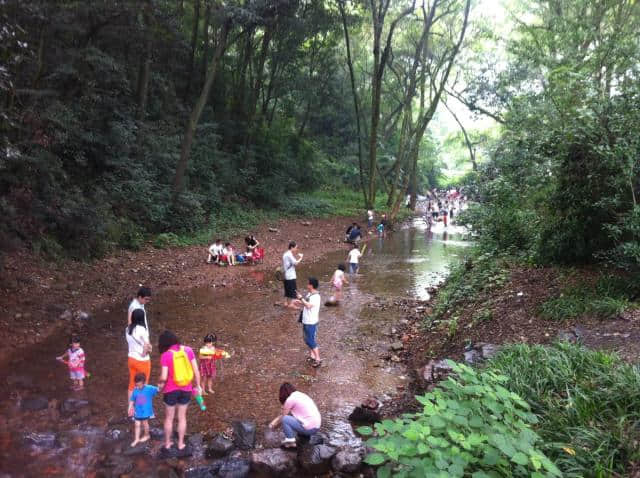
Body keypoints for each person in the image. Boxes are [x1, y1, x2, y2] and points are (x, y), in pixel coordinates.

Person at [158, 330, 202, 456]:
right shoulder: (188, 350)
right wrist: (198, 386)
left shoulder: (166, 355)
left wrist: (159, 384)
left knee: (169, 418)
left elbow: (164, 377)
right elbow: (196, 371)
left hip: (171, 391)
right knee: (182, 417)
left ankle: (167, 443)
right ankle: (181, 444)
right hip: (186, 389)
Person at [269, 383, 321, 449]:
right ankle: (303, 435)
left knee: (285, 419)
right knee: (290, 417)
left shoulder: (290, 400)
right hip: (316, 426)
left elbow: (283, 416)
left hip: (310, 429)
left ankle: (290, 443)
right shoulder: (300, 394)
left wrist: (273, 425)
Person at [126, 308, 152, 409]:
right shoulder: (142, 330)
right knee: (143, 386)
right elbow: (147, 346)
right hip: (142, 361)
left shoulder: (127, 329)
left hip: (131, 359)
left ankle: (130, 409)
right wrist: (144, 353)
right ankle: (140, 410)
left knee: (132, 384)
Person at [128, 372, 158, 447]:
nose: (137, 386)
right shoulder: (135, 390)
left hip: (146, 411)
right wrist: (130, 407)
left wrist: (161, 385)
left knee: (145, 423)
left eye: (139, 384)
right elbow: (132, 399)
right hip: (138, 410)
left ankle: (147, 435)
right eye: (136, 384)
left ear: (143, 382)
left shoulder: (149, 388)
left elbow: (158, 389)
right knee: (137, 424)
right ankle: (136, 439)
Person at [296, 277, 321, 367]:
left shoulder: (316, 297)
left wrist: (301, 298)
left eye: (308, 284)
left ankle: (318, 359)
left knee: (310, 340)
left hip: (311, 321)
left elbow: (309, 305)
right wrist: (299, 301)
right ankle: (312, 356)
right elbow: (305, 303)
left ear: (311, 285)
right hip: (306, 320)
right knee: (307, 339)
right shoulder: (310, 294)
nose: (307, 285)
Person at [282, 241, 303, 308]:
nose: (296, 249)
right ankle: (291, 304)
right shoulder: (289, 255)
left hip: (285, 275)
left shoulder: (286, 254)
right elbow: (295, 263)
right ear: (292, 247)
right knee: (292, 289)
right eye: (296, 248)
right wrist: (301, 258)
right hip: (290, 275)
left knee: (287, 289)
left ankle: (285, 302)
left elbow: (290, 262)